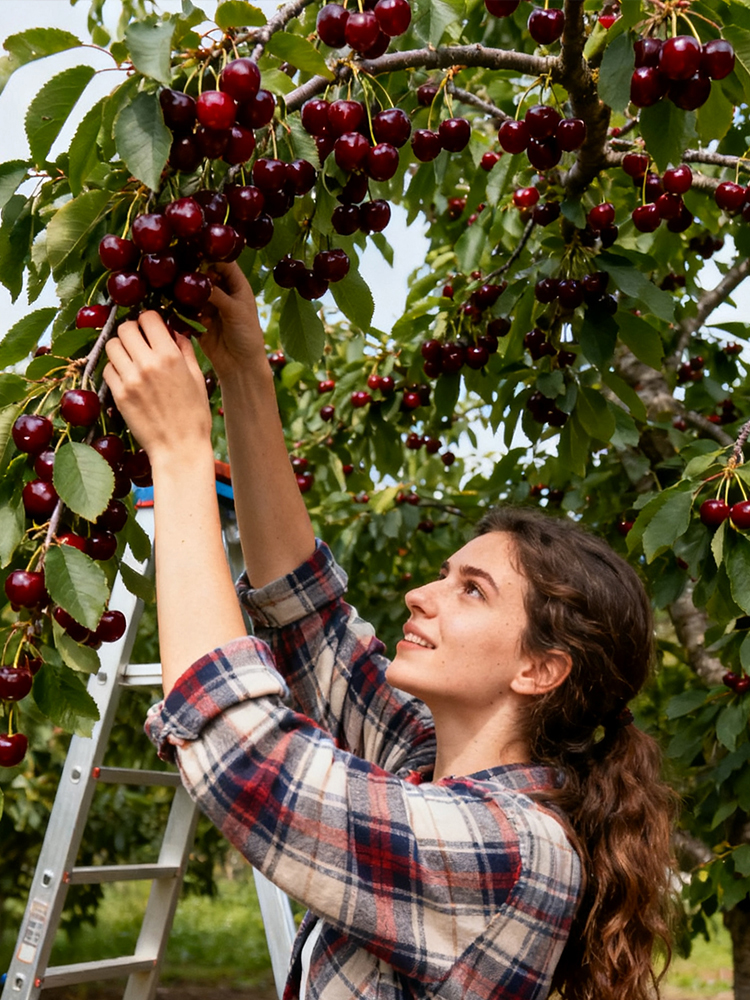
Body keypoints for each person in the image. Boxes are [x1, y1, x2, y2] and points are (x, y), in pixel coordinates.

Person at [103, 261, 677, 1000]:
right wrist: (246, 374)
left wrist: (179, 455)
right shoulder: (426, 765)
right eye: (444, 573)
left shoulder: (515, 853)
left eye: (471, 590)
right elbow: (309, 618)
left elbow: (242, 759)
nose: (419, 595)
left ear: (541, 670)